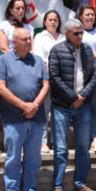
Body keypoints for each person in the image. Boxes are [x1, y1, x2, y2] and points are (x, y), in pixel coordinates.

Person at [0, 28, 50, 191]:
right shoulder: (4, 60)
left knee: (33, 157)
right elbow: (1, 89)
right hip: (13, 118)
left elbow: (46, 85)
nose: (28, 42)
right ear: (14, 42)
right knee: (13, 157)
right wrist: (23, 106)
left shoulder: (38, 60)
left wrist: (34, 105)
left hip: (36, 117)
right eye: (24, 39)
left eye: (29, 39)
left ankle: (30, 190)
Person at [49, 18, 96, 191]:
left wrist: (82, 96)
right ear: (67, 34)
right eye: (76, 33)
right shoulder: (57, 50)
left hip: (83, 106)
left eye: (81, 33)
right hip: (62, 106)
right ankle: (58, 186)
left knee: (83, 147)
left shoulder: (87, 50)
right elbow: (54, 77)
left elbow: (94, 76)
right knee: (61, 149)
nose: (80, 36)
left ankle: (80, 183)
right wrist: (72, 97)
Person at [32, 10, 65, 153]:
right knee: (44, 111)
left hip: (62, 81)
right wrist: (53, 73)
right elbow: (40, 58)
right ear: (45, 22)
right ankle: (43, 142)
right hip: (46, 79)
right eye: (50, 20)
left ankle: (56, 140)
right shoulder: (40, 37)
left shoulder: (64, 37)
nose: (53, 22)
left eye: (55, 20)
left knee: (58, 112)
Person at [78, 4, 96, 154]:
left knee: (95, 107)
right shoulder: (77, 31)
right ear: (81, 17)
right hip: (80, 74)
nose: (90, 17)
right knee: (82, 107)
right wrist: (94, 54)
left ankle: (95, 137)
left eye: (92, 15)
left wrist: (88, 56)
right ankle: (83, 138)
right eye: (87, 14)